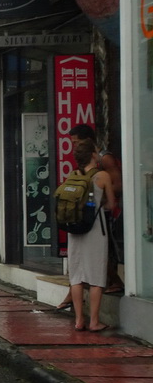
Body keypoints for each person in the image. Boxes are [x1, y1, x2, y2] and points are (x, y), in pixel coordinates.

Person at [57, 124, 124, 310]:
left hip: (103, 216)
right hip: (89, 216)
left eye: (76, 142)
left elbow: (118, 186)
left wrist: (98, 193)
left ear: (88, 141)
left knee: (99, 257)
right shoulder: (82, 166)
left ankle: (113, 282)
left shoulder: (104, 160)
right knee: (85, 261)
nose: (74, 146)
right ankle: (76, 296)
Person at [66, 139, 116, 332]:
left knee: (76, 275)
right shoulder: (102, 176)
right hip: (95, 229)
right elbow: (111, 204)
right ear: (94, 156)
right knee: (96, 275)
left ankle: (79, 320)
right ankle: (94, 321)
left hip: (75, 230)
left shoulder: (72, 175)